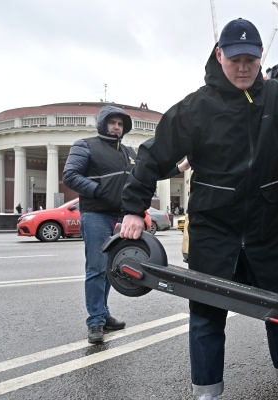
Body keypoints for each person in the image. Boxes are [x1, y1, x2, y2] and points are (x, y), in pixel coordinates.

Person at [119, 18, 278, 400]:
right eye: (236, 59)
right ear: (219, 55)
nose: (244, 67)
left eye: (252, 59)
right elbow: (153, 155)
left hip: (264, 224)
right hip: (214, 226)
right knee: (208, 314)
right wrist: (133, 208)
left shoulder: (276, 95)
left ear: (261, 58)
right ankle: (207, 393)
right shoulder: (196, 106)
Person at [63, 105, 189, 344]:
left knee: (111, 268)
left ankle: (103, 313)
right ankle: (95, 322)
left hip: (121, 217)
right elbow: (70, 175)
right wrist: (99, 191)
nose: (116, 127)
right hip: (97, 215)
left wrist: (180, 168)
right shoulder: (85, 145)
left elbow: (146, 172)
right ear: (102, 124)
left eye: (120, 124)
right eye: (112, 122)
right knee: (97, 269)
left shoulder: (130, 152)